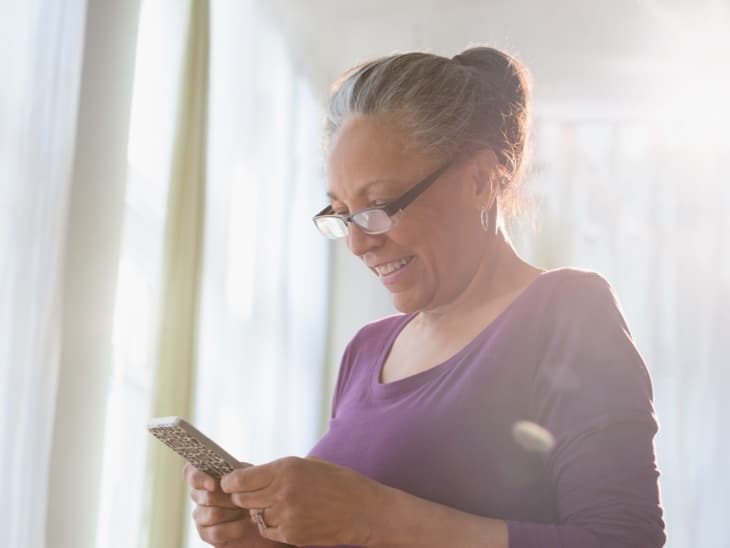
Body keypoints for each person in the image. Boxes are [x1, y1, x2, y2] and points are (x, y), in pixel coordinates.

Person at [184, 46, 667, 548]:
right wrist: (266, 537)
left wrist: (374, 517)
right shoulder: (365, 352)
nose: (358, 242)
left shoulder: (567, 313)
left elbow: (624, 541)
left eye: (380, 206)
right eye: (341, 212)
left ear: (479, 181)